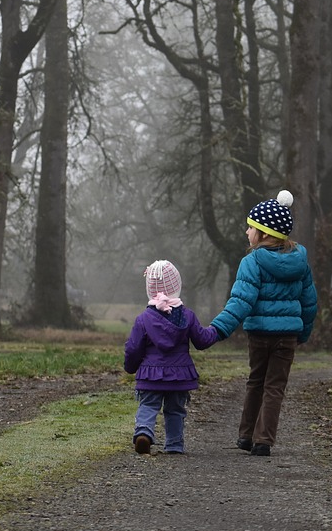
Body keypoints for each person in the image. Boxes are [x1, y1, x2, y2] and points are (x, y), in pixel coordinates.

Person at [209, 189, 317, 457]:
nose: (247, 232)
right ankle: (264, 441)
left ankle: (246, 436)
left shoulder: (252, 261)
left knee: (256, 381)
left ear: (265, 233)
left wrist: (217, 329)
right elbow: (309, 302)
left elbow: (240, 301)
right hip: (287, 336)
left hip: (259, 334)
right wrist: (302, 333)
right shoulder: (300, 262)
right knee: (275, 387)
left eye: (251, 227)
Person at [123, 259, 220, 455]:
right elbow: (201, 340)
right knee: (175, 410)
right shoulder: (187, 316)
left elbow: (133, 349)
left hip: (151, 374)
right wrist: (217, 330)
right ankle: (174, 444)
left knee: (148, 405)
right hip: (179, 375)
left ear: (149, 289)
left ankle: (144, 432)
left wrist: (130, 367)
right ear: (177, 286)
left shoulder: (143, 319)